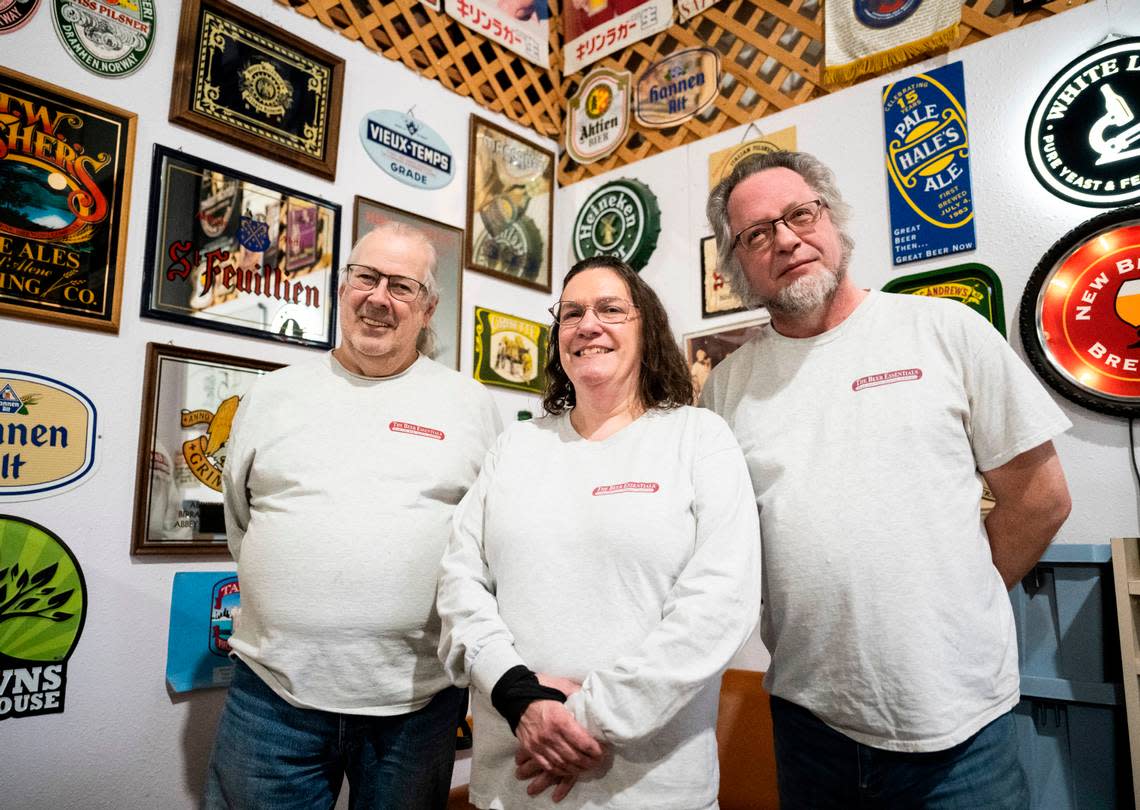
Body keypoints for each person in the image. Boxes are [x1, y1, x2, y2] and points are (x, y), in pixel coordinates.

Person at [702, 150, 1073, 808]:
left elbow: (1040, 500)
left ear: (833, 220)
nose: (786, 239)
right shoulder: (729, 386)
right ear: (737, 266)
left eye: (800, 214)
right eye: (757, 234)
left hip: (959, 727)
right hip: (808, 720)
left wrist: (951, 594)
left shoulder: (943, 330)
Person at [436, 256, 762, 809]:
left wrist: (579, 718)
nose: (589, 325)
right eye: (571, 314)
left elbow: (718, 607)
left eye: (611, 309)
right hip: (514, 784)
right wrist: (520, 698)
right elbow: (460, 586)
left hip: (652, 789)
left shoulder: (698, 437)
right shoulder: (515, 447)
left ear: (647, 328)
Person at [203, 221, 503, 810]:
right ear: (342, 288)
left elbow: (487, 542)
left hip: (417, 706)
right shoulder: (272, 396)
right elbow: (242, 523)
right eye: (365, 277)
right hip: (273, 697)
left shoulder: (470, 405)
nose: (378, 298)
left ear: (428, 307)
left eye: (401, 285)